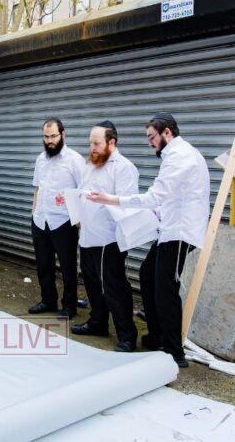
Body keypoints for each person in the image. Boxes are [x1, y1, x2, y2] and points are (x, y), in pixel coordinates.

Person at [87, 113, 209, 367]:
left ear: (167, 133)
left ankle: (174, 352)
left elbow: (156, 195)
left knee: (166, 289)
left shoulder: (179, 156)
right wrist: (157, 213)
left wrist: (111, 199)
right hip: (170, 228)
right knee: (147, 274)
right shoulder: (177, 154)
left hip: (180, 232)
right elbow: (176, 196)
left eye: (152, 137)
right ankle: (157, 335)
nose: (149, 142)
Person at [70, 121, 140, 352]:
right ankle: (97, 323)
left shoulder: (124, 167)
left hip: (109, 239)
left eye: (97, 143)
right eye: (90, 143)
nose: (92, 147)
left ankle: (127, 335)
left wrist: (103, 199)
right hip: (87, 235)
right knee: (91, 284)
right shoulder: (90, 164)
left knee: (114, 288)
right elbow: (83, 191)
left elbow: (128, 203)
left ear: (112, 142)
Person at [29, 118, 85, 319]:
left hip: (63, 221)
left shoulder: (75, 160)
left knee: (68, 267)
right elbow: (37, 188)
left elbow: (83, 190)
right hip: (40, 219)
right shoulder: (40, 159)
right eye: (46, 137)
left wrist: (79, 220)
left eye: (53, 136)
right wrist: (34, 212)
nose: (49, 141)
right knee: (44, 265)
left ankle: (69, 305)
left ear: (63, 134)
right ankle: (48, 300)